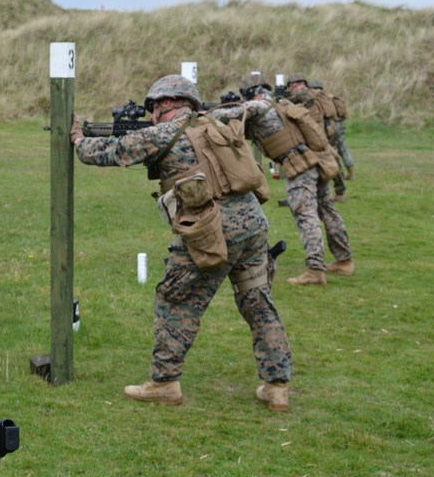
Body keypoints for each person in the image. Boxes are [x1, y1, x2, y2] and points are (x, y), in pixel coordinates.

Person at [73, 74, 294, 411]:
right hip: (254, 227)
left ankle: (164, 382)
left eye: (153, 108)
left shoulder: (165, 133)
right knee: (258, 302)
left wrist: (77, 139)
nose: (150, 116)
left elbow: (110, 151)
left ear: (166, 104)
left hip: (211, 232)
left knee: (176, 300)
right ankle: (277, 386)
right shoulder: (216, 123)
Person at [214, 73, 354, 285]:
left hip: (299, 165)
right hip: (314, 160)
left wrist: (203, 112)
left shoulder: (259, 106)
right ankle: (344, 261)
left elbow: (229, 115)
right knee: (327, 210)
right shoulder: (279, 102)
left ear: (251, 92)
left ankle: (316, 269)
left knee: (305, 214)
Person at [309, 78, 355, 198]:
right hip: (336, 128)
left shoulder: (315, 99)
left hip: (327, 132)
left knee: (332, 160)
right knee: (341, 152)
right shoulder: (328, 96)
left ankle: (339, 191)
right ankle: (347, 179)